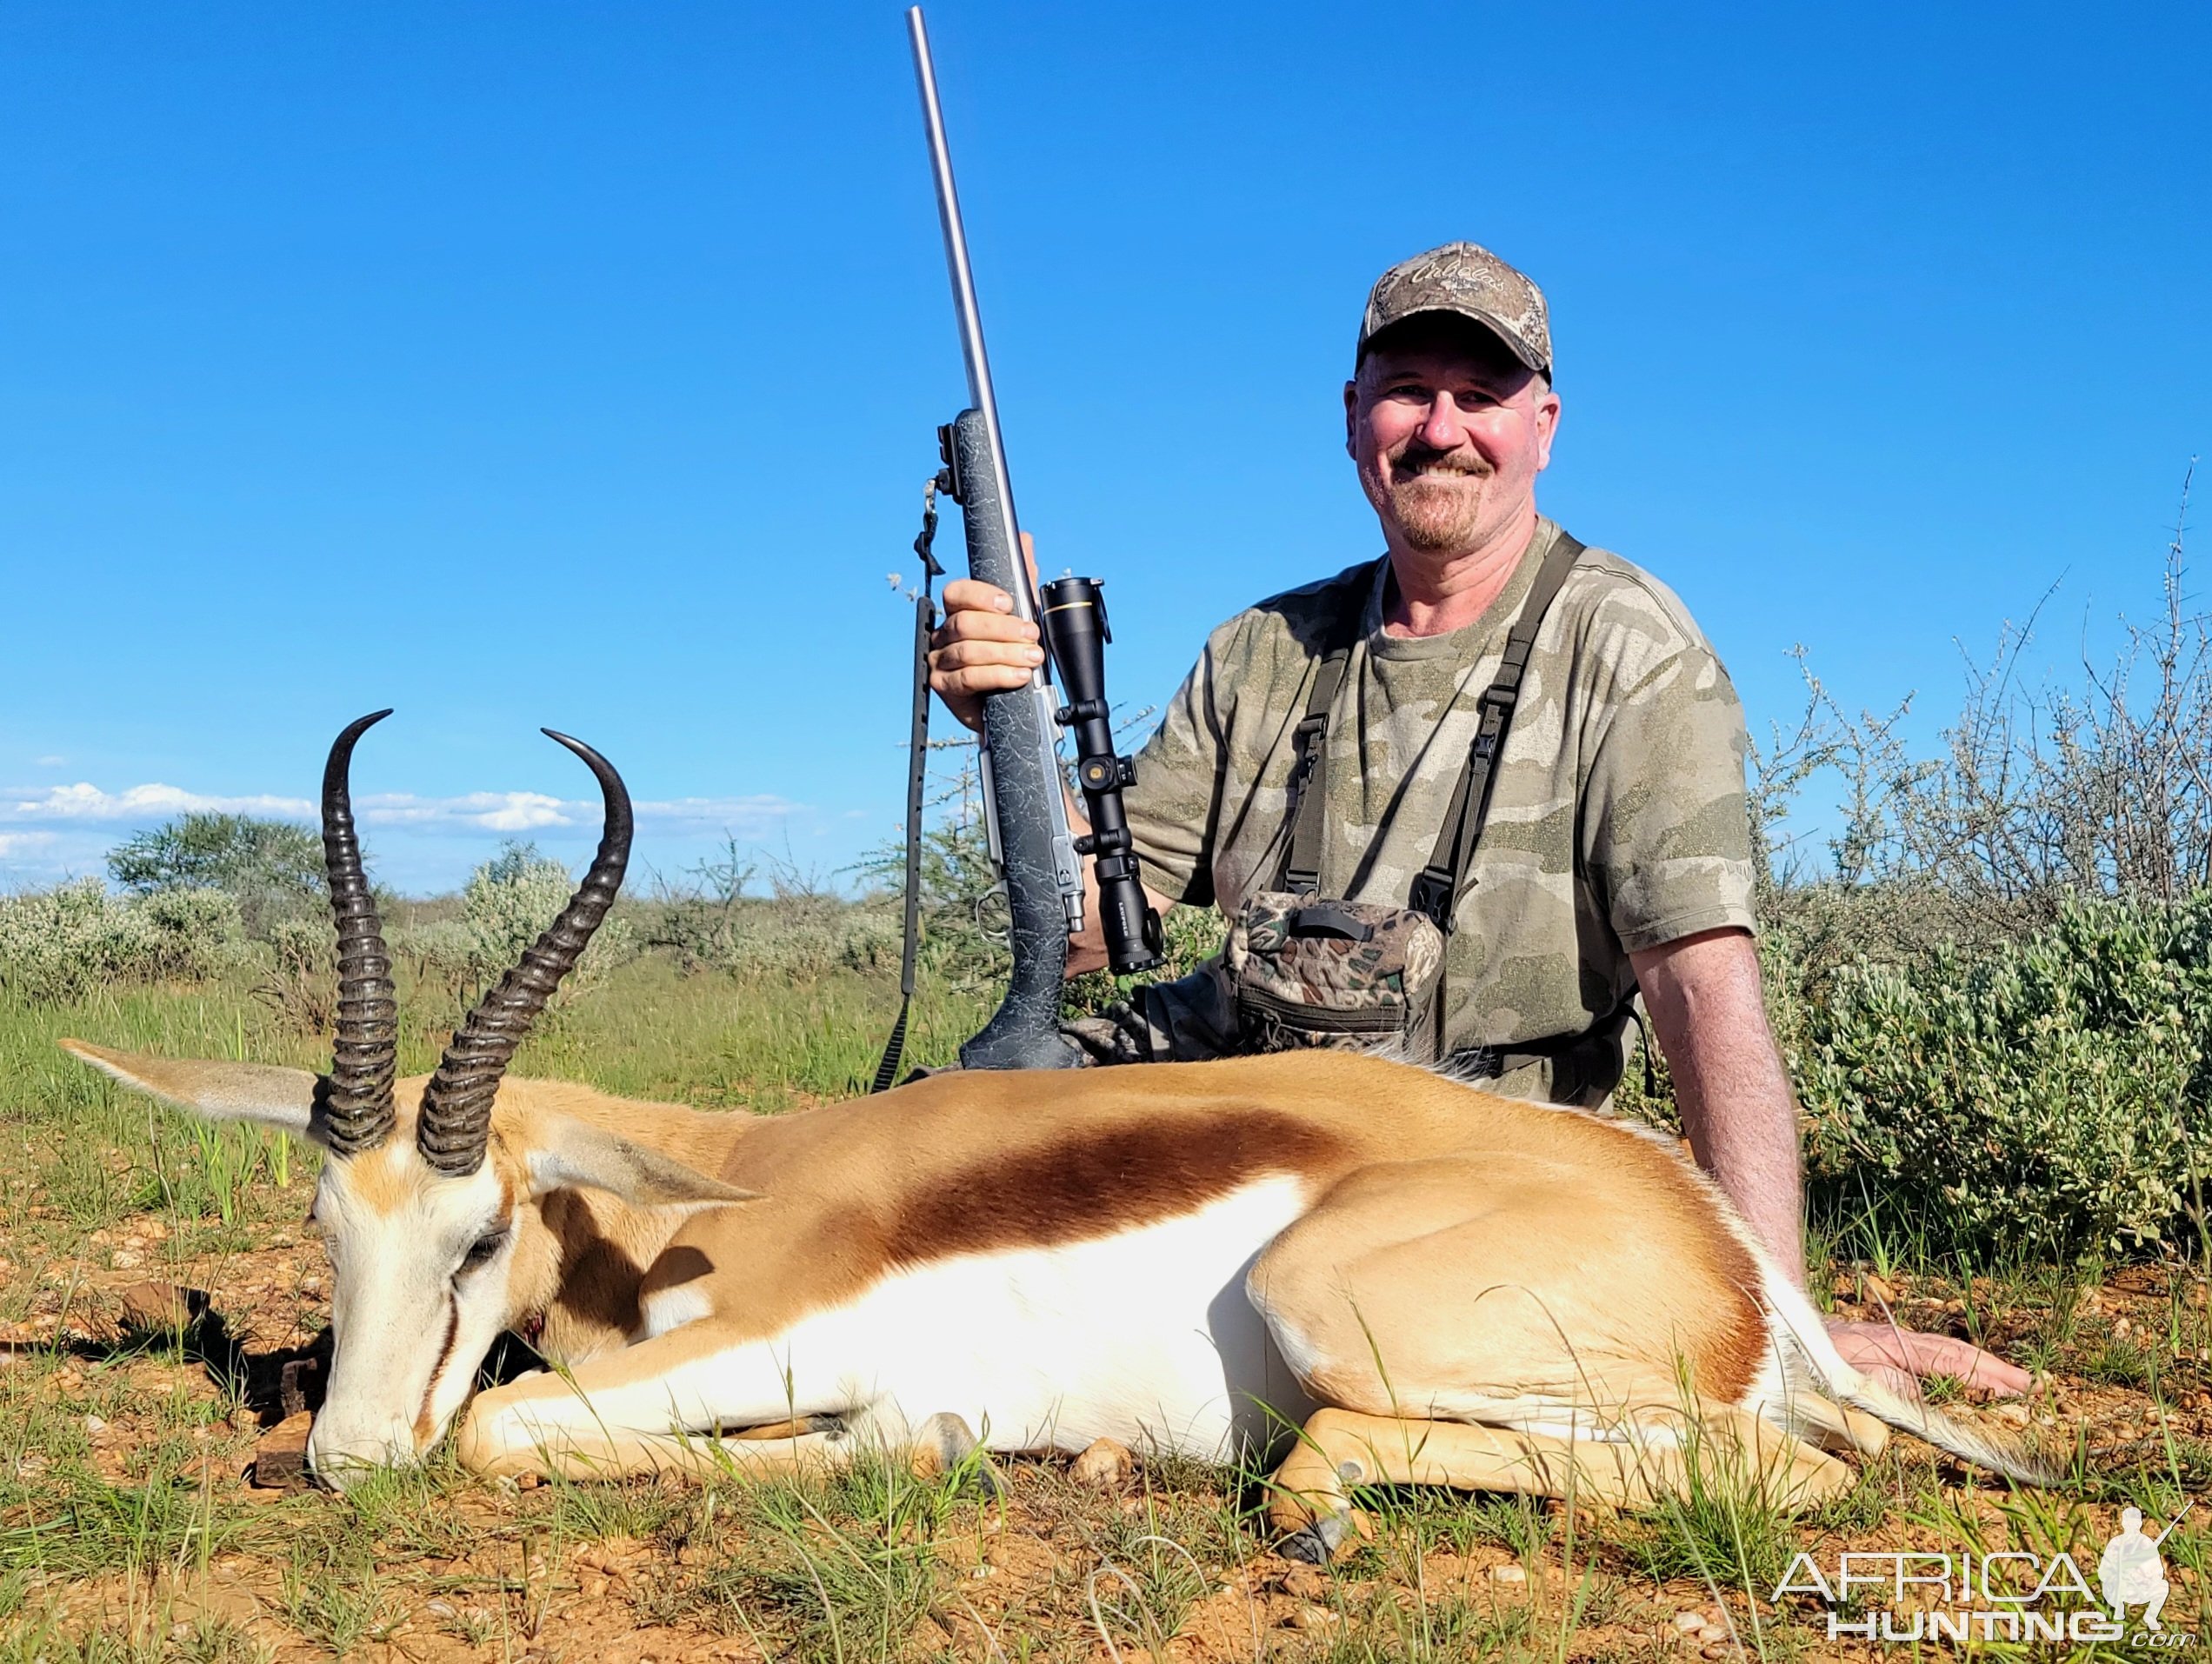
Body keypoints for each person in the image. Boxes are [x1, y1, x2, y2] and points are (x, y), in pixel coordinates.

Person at [929, 240, 2025, 1398]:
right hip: (1234, 1119)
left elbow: (1705, 990)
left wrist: (1781, 1322)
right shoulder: (1261, 650)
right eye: (1408, 390)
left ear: (1543, 424)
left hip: (1469, 1170)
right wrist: (1009, 719)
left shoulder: (1632, 650)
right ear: (1354, 417)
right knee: (940, 1141)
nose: (1441, 426)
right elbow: (1092, 936)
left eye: (1481, 394)